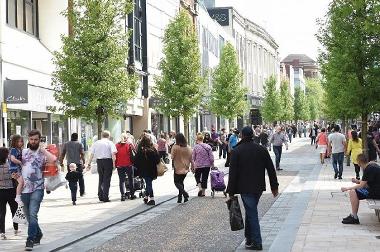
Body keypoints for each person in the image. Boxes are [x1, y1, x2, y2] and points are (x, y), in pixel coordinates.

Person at [227, 126, 279, 250]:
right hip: (258, 187)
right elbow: (271, 169)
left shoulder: (237, 151)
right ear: (253, 135)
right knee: (251, 211)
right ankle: (249, 238)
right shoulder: (261, 149)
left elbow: (232, 173)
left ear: (242, 136)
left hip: (245, 188)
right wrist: (274, 186)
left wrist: (231, 191)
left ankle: (257, 242)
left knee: (252, 212)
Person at [21, 130, 57, 251]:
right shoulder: (24, 152)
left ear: (39, 140)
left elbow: (54, 159)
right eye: (31, 139)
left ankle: (30, 239)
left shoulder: (43, 153)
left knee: (32, 213)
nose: (33, 142)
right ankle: (38, 233)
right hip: (24, 188)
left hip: (38, 188)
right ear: (28, 139)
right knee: (28, 216)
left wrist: (43, 150)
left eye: (36, 139)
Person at [341, 154, 380, 224]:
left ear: (359, 162)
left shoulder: (368, 169)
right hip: (376, 190)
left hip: (376, 192)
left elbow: (361, 186)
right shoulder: (372, 165)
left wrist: (347, 188)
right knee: (354, 191)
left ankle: (354, 217)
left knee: (353, 192)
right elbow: (367, 183)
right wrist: (358, 181)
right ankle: (353, 215)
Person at [86, 131, 117, 202]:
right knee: (107, 179)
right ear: (109, 136)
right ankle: (105, 196)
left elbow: (92, 154)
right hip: (108, 161)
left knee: (101, 178)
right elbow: (113, 154)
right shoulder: (110, 143)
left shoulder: (96, 143)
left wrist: (89, 164)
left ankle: (100, 195)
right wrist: (114, 164)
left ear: (102, 136)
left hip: (99, 162)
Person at [134, 135, 160, 205]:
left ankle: (152, 199)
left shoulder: (140, 151)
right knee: (149, 183)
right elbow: (158, 160)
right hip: (152, 170)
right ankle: (146, 197)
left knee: (148, 183)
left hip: (144, 170)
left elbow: (135, 161)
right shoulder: (153, 149)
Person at [0, 147, 19, 240]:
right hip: (11, 190)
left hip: (0, 191)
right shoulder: (9, 165)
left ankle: (2, 232)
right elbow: (15, 176)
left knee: (1, 212)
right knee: (14, 210)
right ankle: (15, 228)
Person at [60, 133, 86, 197]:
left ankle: (72, 191)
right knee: (80, 178)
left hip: (70, 164)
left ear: (71, 137)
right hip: (78, 163)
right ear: (77, 137)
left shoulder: (66, 144)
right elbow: (82, 154)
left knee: (71, 178)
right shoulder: (80, 144)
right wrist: (84, 162)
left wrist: (61, 162)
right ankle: (82, 192)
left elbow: (63, 153)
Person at [171, 133, 192, 203]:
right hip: (185, 168)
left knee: (176, 182)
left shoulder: (175, 147)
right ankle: (180, 198)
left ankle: (184, 193)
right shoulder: (188, 147)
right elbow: (191, 158)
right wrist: (193, 166)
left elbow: (172, 157)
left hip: (177, 167)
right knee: (181, 182)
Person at [115, 133, 135, 201]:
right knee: (130, 179)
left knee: (121, 180)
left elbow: (115, 155)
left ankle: (122, 195)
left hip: (119, 165)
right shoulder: (128, 144)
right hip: (128, 164)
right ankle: (132, 195)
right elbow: (134, 151)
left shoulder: (116, 145)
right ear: (126, 138)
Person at [9, 134, 24, 206]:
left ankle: (19, 196)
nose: (20, 143)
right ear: (14, 142)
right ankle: (18, 197)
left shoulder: (20, 150)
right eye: (18, 142)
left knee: (22, 182)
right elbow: (12, 159)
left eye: (21, 141)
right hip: (14, 169)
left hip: (18, 169)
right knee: (21, 182)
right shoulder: (13, 149)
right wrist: (20, 162)